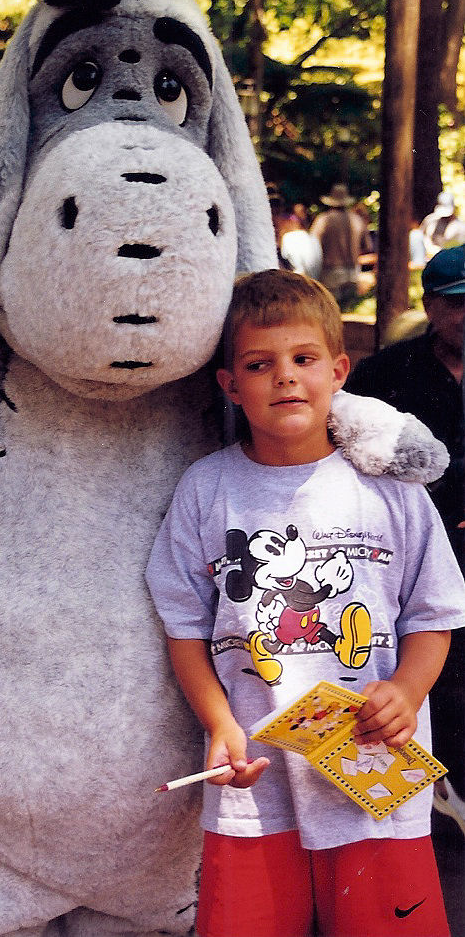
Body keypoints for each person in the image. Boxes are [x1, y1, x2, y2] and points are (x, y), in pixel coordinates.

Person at [146, 269, 465, 937]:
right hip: (252, 785)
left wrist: (407, 691)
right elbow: (183, 626)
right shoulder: (205, 490)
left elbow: (434, 613)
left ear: (339, 370)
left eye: (304, 358)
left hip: (375, 779)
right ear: (230, 384)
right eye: (259, 364)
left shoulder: (393, 492)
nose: (285, 377)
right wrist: (219, 724)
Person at [346, 245, 465, 836]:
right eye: (457, 303)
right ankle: (433, 795)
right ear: (431, 306)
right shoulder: (385, 375)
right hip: (416, 550)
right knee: (429, 671)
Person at [310, 184, 373, 308]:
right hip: (353, 270)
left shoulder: (323, 220)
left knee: (332, 309)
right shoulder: (358, 220)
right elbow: (367, 246)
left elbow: (312, 245)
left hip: (330, 271)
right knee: (350, 307)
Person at [420, 191, 465, 257]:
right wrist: (429, 247)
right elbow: (422, 236)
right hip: (428, 255)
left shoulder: (460, 227)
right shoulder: (431, 220)